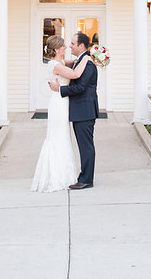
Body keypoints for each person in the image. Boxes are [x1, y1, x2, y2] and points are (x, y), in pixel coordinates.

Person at [31, 35, 91, 192]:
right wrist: (87, 59)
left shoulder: (61, 62)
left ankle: (65, 174)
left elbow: (73, 62)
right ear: (57, 49)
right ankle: (56, 177)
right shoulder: (55, 65)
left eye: (69, 44)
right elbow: (76, 74)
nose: (67, 47)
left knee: (64, 137)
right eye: (64, 45)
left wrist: (88, 55)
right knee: (58, 137)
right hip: (59, 104)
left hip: (64, 103)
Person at [49, 31, 98, 189]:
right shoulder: (80, 60)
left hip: (84, 111)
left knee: (86, 146)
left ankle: (86, 180)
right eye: (67, 44)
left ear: (81, 45)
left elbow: (81, 87)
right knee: (82, 145)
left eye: (72, 44)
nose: (69, 46)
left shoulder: (88, 63)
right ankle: (83, 176)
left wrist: (60, 90)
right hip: (77, 110)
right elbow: (70, 68)